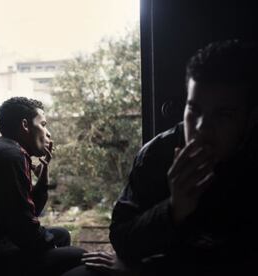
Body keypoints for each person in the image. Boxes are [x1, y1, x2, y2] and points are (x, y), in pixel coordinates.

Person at [110, 39, 258, 275]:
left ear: (250, 120)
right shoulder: (158, 153)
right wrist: (173, 208)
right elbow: (121, 238)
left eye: (223, 115)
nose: (201, 128)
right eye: (194, 110)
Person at [0, 97, 86, 276]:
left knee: (61, 234)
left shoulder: (6, 150)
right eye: (43, 124)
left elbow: (27, 212)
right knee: (81, 255)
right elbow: (23, 227)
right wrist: (51, 245)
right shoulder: (10, 157)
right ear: (25, 125)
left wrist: (43, 174)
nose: (48, 133)